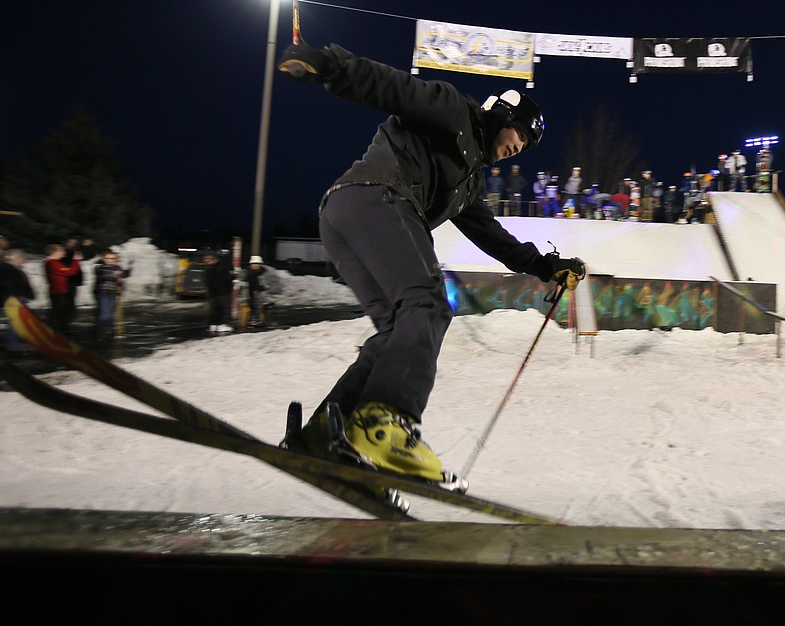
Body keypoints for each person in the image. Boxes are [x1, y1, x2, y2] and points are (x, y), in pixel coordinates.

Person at [275, 39, 585, 488]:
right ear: (503, 116)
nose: (521, 146)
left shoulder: (468, 182)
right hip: (377, 195)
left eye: (528, 145)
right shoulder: (454, 111)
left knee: (398, 332)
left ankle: (326, 431)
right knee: (429, 304)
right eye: (521, 134)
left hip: (344, 216)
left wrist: (546, 266)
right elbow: (394, 88)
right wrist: (330, 66)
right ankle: (386, 425)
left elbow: (493, 237)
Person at [1, 249, 35, 350]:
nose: (23, 260)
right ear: (16, 258)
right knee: (14, 322)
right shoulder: (7, 269)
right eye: (22, 258)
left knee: (18, 322)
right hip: (11, 300)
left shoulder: (14, 269)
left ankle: (15, 343)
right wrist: (17, 296)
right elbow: (7, 286)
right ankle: (12, 345)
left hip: (15, 299)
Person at [44, 243, 82, 335]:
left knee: (63, 311)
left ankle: (60, 329)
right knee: (57, 311)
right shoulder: (51, 263)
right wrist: (76, 261)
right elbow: (70, 271)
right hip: (58, 292)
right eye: (61, 251)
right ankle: (49, 330)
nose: (63, 252)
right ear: (54, 252)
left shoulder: (56, 262)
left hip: (62, 290)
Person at [93, 249, 130, 341]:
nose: (110, 260)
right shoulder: (100, 267)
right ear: (104, 259)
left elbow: (124, 275)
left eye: (113, 258)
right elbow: (104, 275)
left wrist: (128, 268)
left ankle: (111, 328)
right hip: (103, 293)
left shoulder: (117, 267)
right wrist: (114, 274)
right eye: (108, 258)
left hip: (113, 293)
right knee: (104, 314)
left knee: (111, 313)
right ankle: (100, 333)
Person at [203, 251, 234, 333]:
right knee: (225, 309)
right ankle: (223, 324)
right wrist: (231, 285)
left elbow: (208, 282)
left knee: (215, 309)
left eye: (208, 260)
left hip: (213, 293)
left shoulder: (208, 269)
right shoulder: (223, 267)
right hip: (224, 292)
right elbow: (227, 279)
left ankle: (213, 325)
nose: (207, 262)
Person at [243, 255, 269, 327]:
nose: (255, 265)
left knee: (260, 306)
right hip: (250, 292)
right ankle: (253, 320)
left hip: (260, 293)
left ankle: (258, 320)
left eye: (257, 264)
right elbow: (249, 284)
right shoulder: (248, 273)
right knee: (253, 306)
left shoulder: (264, 273)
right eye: (253, 264)